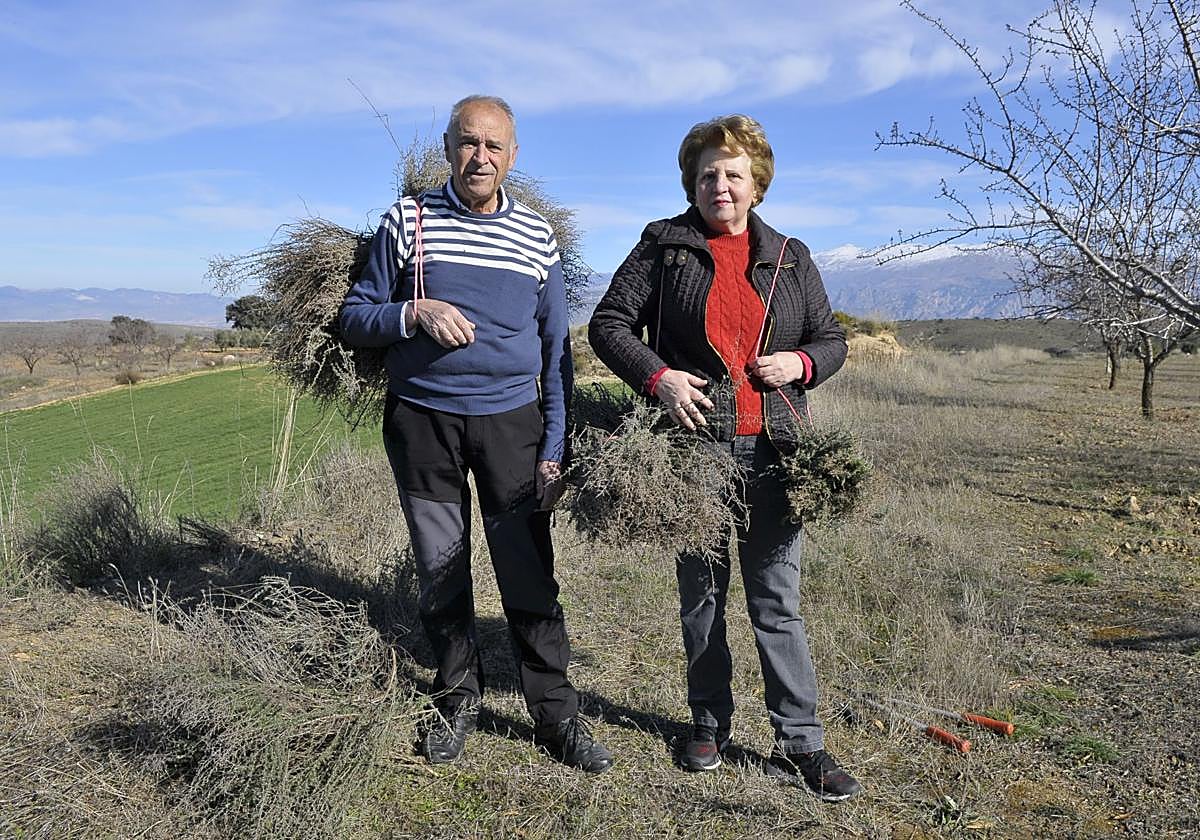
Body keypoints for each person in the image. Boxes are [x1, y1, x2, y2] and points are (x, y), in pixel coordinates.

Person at [588, 115, 861, 801]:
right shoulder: (664, 246)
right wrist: (660, 378)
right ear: (693, 180)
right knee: (701, 600)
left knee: (777, 602)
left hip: (774, 453)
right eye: (708, 173)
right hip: (692, 456)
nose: (720, 185)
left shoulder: (791, 256)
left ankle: (802, 742)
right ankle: (708, 722)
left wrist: (798, 362)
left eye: (733, 173)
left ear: (756, 182)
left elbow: (832, 340)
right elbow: (608, 324)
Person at [341, 94, 611, 774]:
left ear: (513, 156)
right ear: (447, 148)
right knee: (440, 565)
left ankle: (555, 715)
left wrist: (554, 444)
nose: (480, 157)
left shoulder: (536, 236)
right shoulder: (409, 221)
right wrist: (414, 311)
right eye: (467, 143)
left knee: (527, 569)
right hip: (421, 422)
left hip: (512, 426)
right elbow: (356, 315)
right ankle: (457, 694)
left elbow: (555, 351)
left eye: (493, 146)